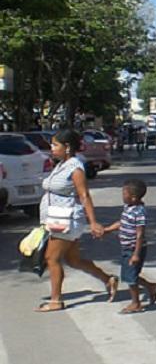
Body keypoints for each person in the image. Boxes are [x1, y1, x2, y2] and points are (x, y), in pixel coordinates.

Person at [36, 129, 118, 312]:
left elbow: (84, 195)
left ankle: (56, 300)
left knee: (52, 258)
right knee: (73, 260)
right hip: (56, 218)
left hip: (65, 220)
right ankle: (108, 280)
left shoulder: (75, 167)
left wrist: (93, 222)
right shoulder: (61, 165)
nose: (52, 148)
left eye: (55, 145)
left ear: (67, 147)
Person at [103, 179, 156, 314]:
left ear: (133, 197)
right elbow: (122, 222)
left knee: (130, 277)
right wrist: (107, 230)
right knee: (129, 275)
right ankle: (151, 287)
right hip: (126, 247)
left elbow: (140, 234)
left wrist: (136, 254)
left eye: (124, 193)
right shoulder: (128, 207)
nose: (122, 196)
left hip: (134, 248)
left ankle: (136, 303)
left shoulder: (139, 212)